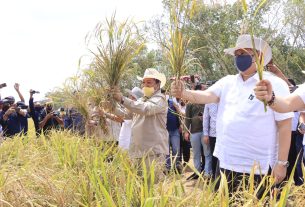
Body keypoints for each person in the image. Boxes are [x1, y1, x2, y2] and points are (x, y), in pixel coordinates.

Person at [171, 34, 293, 194]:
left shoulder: (274, 84)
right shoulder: (227, 82)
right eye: (237, 55)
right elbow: (207, 96)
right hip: (226, 162)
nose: (239, 58)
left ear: (260, 56)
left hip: (259, 167)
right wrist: (183, 92)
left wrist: (282, 163)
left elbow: (285, 125)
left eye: (243, 54)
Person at [112, 68, 168, 183]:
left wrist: (122, 99)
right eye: (144, 82)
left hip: (152, 152)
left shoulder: (160, 99)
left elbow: (145, 109)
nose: (145, 85)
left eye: (149, 82)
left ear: (157, 84)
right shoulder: (142, 99)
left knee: (152, 186)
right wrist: (112, 106)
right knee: (139, 186)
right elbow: (126, 115)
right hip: (138, 151)